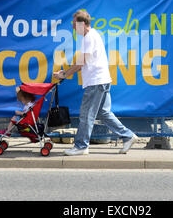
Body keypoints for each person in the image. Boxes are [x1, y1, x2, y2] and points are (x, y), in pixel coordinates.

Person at [53, 10, 138, 156]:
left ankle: (81, 146)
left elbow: (81, 63)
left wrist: (64, 74)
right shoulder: (91, 36)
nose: (73, 27)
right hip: (102, 80)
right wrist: (66, 73)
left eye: (74, 24)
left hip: (96, 82)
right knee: (104, 113)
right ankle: (128, 136)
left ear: (82, 24)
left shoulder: (89, 38)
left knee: (86, 115)